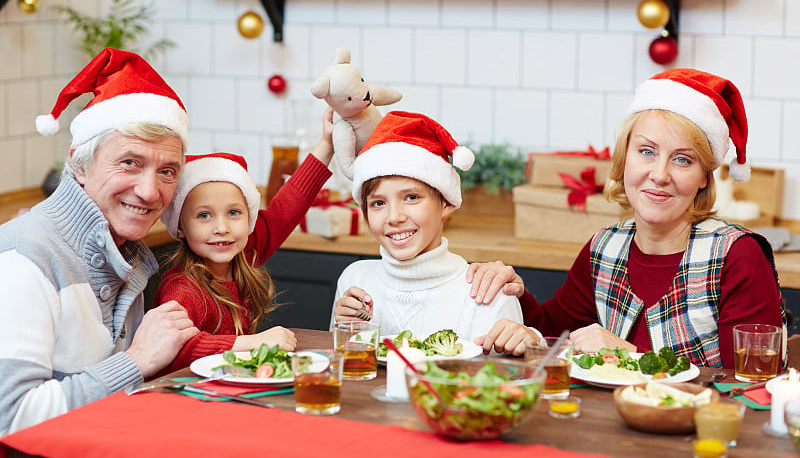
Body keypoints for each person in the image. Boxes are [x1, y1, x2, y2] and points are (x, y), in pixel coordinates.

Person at [470, 69, 785, 368]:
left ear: (703, 177)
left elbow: (750, 385)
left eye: (682, 159)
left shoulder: (738, 255)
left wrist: (629, 356)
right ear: (623, 162)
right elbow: (552, 333)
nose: (659, 175)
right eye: (647, 152)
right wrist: (517, 294)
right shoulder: (605, 249)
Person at [0, 48, 200, 435]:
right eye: (130, 163)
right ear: (78, 163)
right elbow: (10, 419)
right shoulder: (22, 260)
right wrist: (137, 360)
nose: (149, 191)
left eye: (167, 171)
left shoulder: (125, 253)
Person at [155, 116, 334, 372]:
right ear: (180, 227)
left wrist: (326, 145)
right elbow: (177, 348)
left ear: (249, 219)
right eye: (204, 215)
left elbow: (286, 208)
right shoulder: (182, 290)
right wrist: (253, 342)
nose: (222, 228)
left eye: (234, 213)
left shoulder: (243, 253)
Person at [331, 111, 524, 340]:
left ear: (446, 202)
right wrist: (346, 332)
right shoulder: (355, 280)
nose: (394, 217)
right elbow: (341, 370)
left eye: (411, 197)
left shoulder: (486, 292)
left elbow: (508, 372)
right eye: (378, 203)